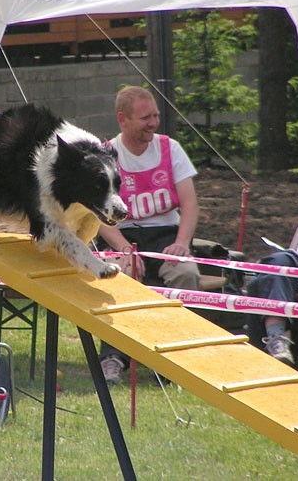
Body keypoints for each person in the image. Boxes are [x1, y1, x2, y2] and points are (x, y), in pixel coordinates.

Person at [96, 85, 201, 385]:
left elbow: (190, 204)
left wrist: (182, 243)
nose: (153, 123)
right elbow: (99, 213)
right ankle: (113, 356)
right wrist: (125, 249)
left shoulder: (171, 149)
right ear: (123, 120)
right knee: (118, 277)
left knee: (186, 274)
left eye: (155, 116)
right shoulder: (106, 154)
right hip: (122, 235)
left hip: (166, 235)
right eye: (146, 118)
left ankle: (174, 358)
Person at [246, 250, 298, 371]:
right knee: (278, 261)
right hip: (297, 275)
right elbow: (294, 249)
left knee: (257, 285)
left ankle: (262, 355)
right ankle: (277, 341)